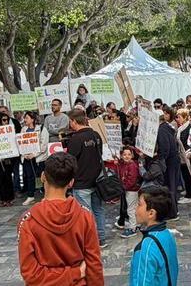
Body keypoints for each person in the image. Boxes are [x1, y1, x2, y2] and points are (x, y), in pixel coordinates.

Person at [17, 152, 104, 285]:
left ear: (43, 177)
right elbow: (94, 266)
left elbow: (31, 274)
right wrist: (76, 273)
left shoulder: (27, 221)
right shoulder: (85, 216)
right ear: (71, 183)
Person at [66, 107, 107, 246]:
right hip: (97, 179)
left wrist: (69, 178)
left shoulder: (76, 139)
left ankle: (90, 241)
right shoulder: (96, 135)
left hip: (81, 182)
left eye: (70, 121)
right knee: (98, 210)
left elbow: (70, 161)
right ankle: (100, 237)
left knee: (84, 214)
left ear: (73, 121)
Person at [129, 187, 180, 286]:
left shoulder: (146, 248)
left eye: (139, 205)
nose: (135, 208)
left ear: (151, 213)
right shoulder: (167, 235)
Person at [155, 106, 181, 220]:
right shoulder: (166, 127)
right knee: (172, 186)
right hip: (173, 160)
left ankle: (172, 213)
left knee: (170, 186)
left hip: (169, 162)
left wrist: (159, 157)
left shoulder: (161, 130)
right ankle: (173, 211)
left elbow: (165, 148)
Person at [117, 146, 142, 238]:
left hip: (131, 190)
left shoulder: (132, 166)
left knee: (131, 209)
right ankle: (136, 224)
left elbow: (131, 180)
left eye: (128, 154)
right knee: (134, 207)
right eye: (124, 154)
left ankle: (132, 228)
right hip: (130, 189)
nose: (126, 156)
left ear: (132, 155)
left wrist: (124, 187)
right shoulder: (125, 164)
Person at [20, 111, 43, 205]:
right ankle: (30, 196)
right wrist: (24, 154)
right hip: (27, 158)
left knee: (42, 176)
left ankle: (46, 195)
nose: (25, 120)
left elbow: (43, 144)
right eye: (24, 118)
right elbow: (21, 142)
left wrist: (34, 154)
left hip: (38, 158)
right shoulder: (23, 129)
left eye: (27, 118)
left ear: (32, 119)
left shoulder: (41, 128)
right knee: (29, 177)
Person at [175, 108, 191, 204]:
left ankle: (190, 194)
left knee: (188, 175)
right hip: (181, 156)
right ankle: (188, 191)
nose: (177, 119)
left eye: (178, 117)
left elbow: (188, 142)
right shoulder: (181, 127)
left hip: (186, 155)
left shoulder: (189, 128)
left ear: (184, 117)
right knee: (185, 174)